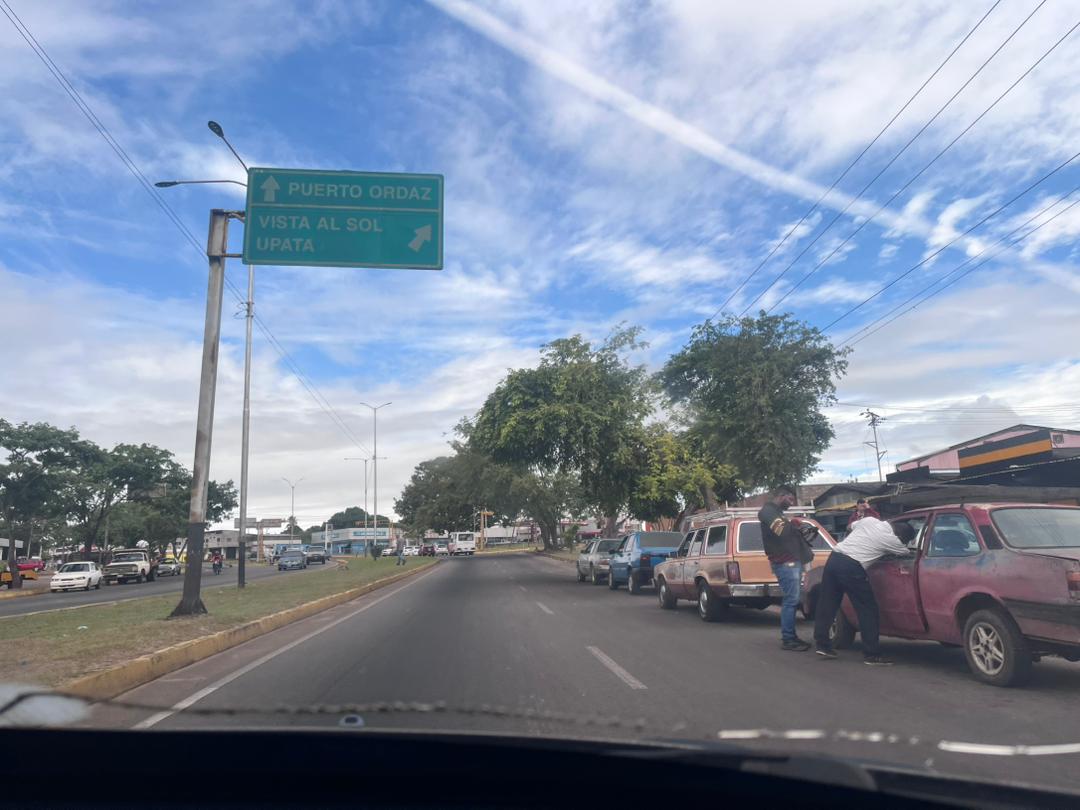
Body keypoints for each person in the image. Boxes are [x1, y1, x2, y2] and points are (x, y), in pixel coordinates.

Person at [813, 518, 916, 665]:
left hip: (834, 558)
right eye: (904, 540)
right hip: (851, 567)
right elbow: (907, 553)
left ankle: (822, 645)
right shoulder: (892, 541)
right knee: (867, 609)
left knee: (827, 603)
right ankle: (872, 654)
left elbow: (850, 526)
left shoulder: (869, 520)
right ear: (900, 537)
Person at [758, 487, 815, 651]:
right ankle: (788, 639)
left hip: (790, 562)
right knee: (791, 600)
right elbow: (781, 531)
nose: (791, 504)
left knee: (793, 600)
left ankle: (791, 636)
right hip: (785, 563)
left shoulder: (777, 513)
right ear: (781, 496)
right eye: (790, 500)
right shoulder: (768, 512)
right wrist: (793, 524)